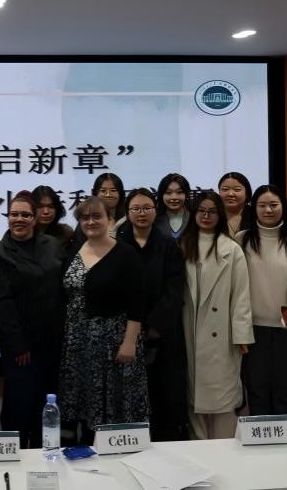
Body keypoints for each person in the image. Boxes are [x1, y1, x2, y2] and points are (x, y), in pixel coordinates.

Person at [60, 196, 148, 443]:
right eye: (85, 217)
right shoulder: (74, 250)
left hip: (114, 340)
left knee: (115, 404)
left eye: (97, 216)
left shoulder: (126, 254)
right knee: (82, 401)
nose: (91, 222)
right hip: (77, 341)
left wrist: (129, 342)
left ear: (110, 219)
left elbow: (137, 301)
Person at [0, 192, 64, 448]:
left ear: (35, 218)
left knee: (48, 401)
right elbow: (3, 303)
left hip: (52, 340)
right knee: (20, 403)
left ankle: (47, 450)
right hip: (21, 346)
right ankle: (18, 452)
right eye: (14, 214)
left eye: (25, 215)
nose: (19, 219)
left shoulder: (51, 244)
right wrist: (18, 345)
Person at [117, 188, 189, 440]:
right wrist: (131, 328)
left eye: (147, 208)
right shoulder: (116, 245)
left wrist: (153, 326)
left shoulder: (169, 246)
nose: (142, 213)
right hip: (124, 334)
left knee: (164, 396)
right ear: (127, 212)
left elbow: (174, 289)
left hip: (162, 335)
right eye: (136, 208)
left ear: (155, 211)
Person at [181, 191, 253, 439]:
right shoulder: (182, 246)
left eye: (212, 211)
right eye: (201, 211)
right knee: (193, 401)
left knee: (223, 401)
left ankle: (226, 451)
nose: (206, 216)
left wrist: (242, 335)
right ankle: (198, 451)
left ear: (220, 215)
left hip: (222, 335)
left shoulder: (231, 249)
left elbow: (241, 296)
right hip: (189, 332)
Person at [238, 185, 287, 417]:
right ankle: (260, 439)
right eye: (262, 205)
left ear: (283, 207)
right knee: (256, 392)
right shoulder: (242, 239)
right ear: (254, 208)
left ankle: (283, 440)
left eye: (273, 205)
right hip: (252, 329)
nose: (268, 210)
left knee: (283, 394)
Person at [31, 185, 74, 253]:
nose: (46, 212)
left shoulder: (66, 234)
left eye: (50, 207)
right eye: (40, 206)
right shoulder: (24, 232)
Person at [154, 173, 192, 240]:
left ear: (186, 194)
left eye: (179, 192)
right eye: (168, 192)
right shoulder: (154, 218)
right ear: (161, 195)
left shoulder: (194, 216)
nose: (174, 197)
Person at [218, 172, 252, 238]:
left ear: (247, 194)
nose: (230, 194)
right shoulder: (213, 214)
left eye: (237, 190)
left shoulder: (255, 215)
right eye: (225, 189)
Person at [93, 172, 127, 237]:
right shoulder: (88, 220)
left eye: (113, 190)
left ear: (120, 194)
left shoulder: (129, 219)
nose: (108, 194)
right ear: (96, 194)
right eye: (103, 191)